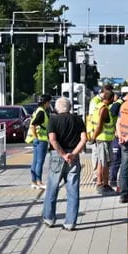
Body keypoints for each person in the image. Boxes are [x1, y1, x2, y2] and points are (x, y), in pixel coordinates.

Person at [41, 97, 88, 230]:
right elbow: (84, 139)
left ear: (57, 108)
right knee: (73, 190)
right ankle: (70, 222)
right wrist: (73, 154)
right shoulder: (78, 120)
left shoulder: (53, 119)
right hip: (73, 157)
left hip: (57, 156)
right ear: (70, 107)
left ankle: (49, 218)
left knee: (52, 188)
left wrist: (63, 154)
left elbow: (52, 140)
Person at [88, 89, 116, 194]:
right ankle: (104, 184)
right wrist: (93, 138)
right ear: (111, 99)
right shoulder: (104, 109)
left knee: (101, 162)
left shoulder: (98, 105)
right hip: (103, 139)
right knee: (105, 163)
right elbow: (99, 125)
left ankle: (100, 183)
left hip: (101, 139)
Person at [27, 94, 53, 190]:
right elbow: (33, 125)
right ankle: (39, 182)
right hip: (41, 140)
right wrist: (36, 137)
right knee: (39, 162)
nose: (49, 104)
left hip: (38, 140)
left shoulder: (37, 110)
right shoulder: (41, 112)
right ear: (46, 102)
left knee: (35, 162)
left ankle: (34, 182)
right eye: (49, 102)